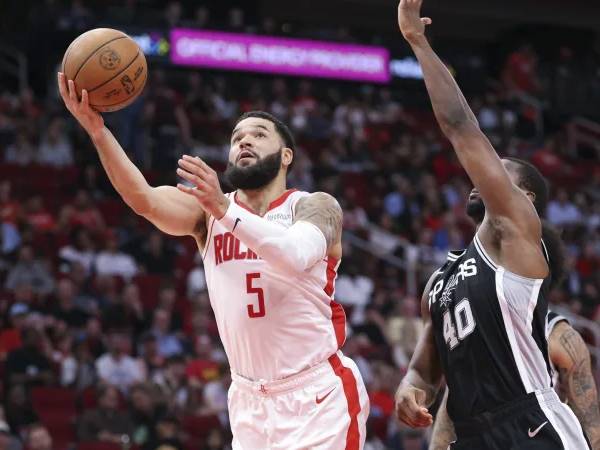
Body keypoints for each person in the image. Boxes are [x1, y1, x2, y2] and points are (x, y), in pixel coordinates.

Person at [58, 71, 369, 449]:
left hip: (316, 394)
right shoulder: (208, 214)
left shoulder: (314, 205)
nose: (244, 141)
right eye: (237, 138)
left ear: (286, 155)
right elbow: (142, 198)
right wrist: (98, 131)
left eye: (258, 134)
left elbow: (293, 255)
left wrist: (224, 208)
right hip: (249, 399)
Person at [394, 1, 590, 449]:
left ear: (526, 199)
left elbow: (460, 126)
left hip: (530, 423)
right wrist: (411, 389)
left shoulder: (519, 229)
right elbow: (426, 366)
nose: (484, 176)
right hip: (473, 435)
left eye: (501, 172)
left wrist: (418, 43)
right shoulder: (439, 281)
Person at [429, 312, 600, 449]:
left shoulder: (555, 333)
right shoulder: (477, 338)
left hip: (539, 435)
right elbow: (449, 418)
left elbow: (590, 424)